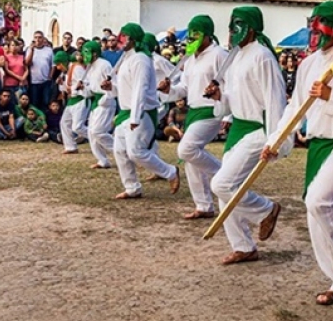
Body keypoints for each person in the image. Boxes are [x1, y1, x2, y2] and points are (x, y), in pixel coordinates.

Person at [261, 1, 333, 305]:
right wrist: (277, 142)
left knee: (319, 201)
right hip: (318, 144)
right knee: (315, 214)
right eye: (313, 21)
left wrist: (330, 96)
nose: (314, 29)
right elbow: (295, 108)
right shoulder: (308, 64)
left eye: (322, 23)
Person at [205, 6, 288, 265]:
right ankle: (243, 246)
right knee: (226, 190)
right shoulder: (235, 57)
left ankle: (266, 210)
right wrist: (220, 97)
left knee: (221, 184)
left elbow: (275, 99)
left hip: (258, 129)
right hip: (239, 127)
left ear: (251, 27)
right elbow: (234, 99)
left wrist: (276, 139)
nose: (232, 31)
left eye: (237, 25)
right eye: (230, 25)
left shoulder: (263, 56)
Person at [158, 14, 227, 219]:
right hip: (193, 110)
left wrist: (227, 114)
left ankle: (226, 176)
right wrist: (168, 90)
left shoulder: (219, 55)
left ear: (207, 35)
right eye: (190, 33)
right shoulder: (189, 59)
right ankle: (204, 205)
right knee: (191, 159)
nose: (192, 37)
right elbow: (184, 89)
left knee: (186, 149)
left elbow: (229, 85)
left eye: (196, 33)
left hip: (211, 110)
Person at [103, 23, 180, 199]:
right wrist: (110, 87)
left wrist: (135, 117)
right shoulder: (126, 59)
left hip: (142, 111)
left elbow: (140, 89)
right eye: (120, 36)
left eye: (125, 36)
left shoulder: (141, 60)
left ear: (134, 39)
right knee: (120, 151)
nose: (121, 40)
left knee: (136, 151)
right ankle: (132, 187)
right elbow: (125, 89)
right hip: (125, 111)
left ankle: (170, 172)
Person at [81, 40, 115, 169]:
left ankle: (121, 152)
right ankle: (102, 160)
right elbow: (91, 87)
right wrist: (83, 87)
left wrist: (106, 96)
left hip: (105, 101)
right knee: (91, 133)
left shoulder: (105, 65)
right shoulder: (90, 66)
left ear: (94, 53)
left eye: (87, 52)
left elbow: (113, 84)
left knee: (98, 132)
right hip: (96, 101)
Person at [54, 50, 89, 154]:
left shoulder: (77, 68)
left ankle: (98, 138)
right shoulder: (65, 72)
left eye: (59, 64)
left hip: (80, 99)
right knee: (64, 123)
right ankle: (71, 147)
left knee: (78, 127)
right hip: (72, 100)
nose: (58, 67)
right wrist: (61, 84)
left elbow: (85, 82)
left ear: (63, 62)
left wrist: (77, 87)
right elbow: (66, 89)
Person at [25, 31, 54, 109]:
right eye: (36, 37)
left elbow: (53, 65)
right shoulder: (29, 50)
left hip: (46, 81)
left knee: (46, 102)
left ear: (43, 39)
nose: (38, 39)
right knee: (35, 103)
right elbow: (27, 63)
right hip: (34, 82)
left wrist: (50, 76)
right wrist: (32, 50)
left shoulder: (49, 50)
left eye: (40, 37)